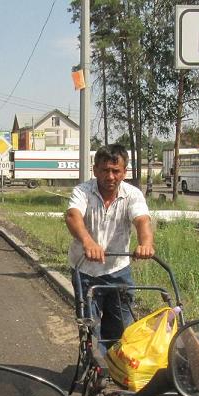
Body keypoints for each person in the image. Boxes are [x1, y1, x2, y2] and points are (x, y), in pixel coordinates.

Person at [65, 144, 155, 357]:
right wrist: (88, 242)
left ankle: (117, 370)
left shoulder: (132, 194)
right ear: (95, 170)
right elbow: (72, 216)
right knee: (91, 328)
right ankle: (95, 370)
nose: (111, 176)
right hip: (85, 271)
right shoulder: (83, 191)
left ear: (124, 172)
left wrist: (145, 244)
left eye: (116, 171)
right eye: (105, 170)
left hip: (118, 271)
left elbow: (142, 220)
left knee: (122, 328)